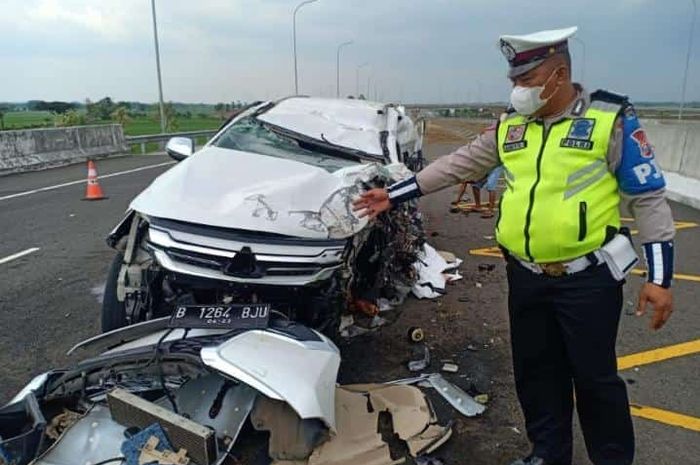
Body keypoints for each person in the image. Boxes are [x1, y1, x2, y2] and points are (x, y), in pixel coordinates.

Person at [353, 27, 675, 465]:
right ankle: (547, 454)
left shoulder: (609, 118)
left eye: (525, 81)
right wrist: (395, 194)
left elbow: (648, 196)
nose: (516, 90)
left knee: (595, 380)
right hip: (525, 276)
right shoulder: (512, 125)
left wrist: (660, 278)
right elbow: (458, 164)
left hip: (587, 280)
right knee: (536, 374)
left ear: (559, 75)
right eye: (514, 81)